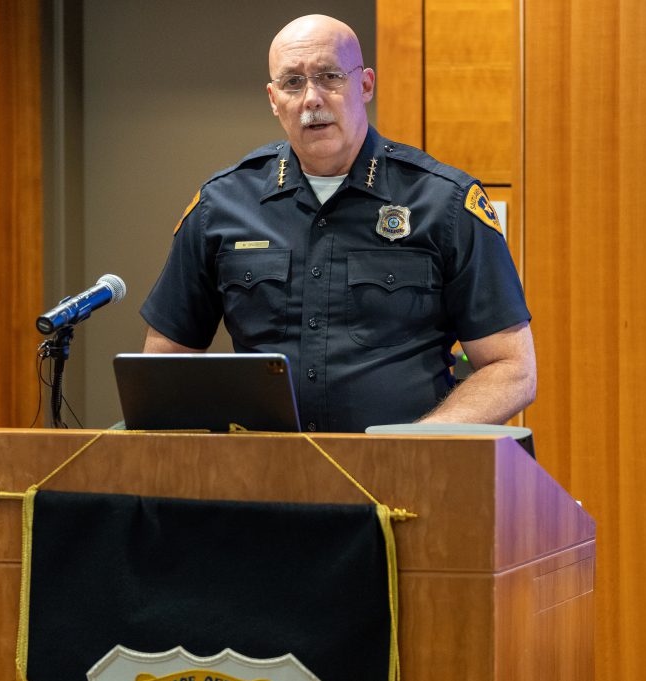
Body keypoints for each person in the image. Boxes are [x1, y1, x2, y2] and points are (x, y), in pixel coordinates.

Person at [141, 14, 536, 433]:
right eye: (293, 82)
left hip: (404, 483)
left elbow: (511, 368)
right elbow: (162, 366)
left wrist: (424, 442)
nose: (312, 98)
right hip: (266, 481)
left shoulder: (444, 201)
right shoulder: (220, 205)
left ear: (365, 85)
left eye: (329, 76)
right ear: (274, 100)